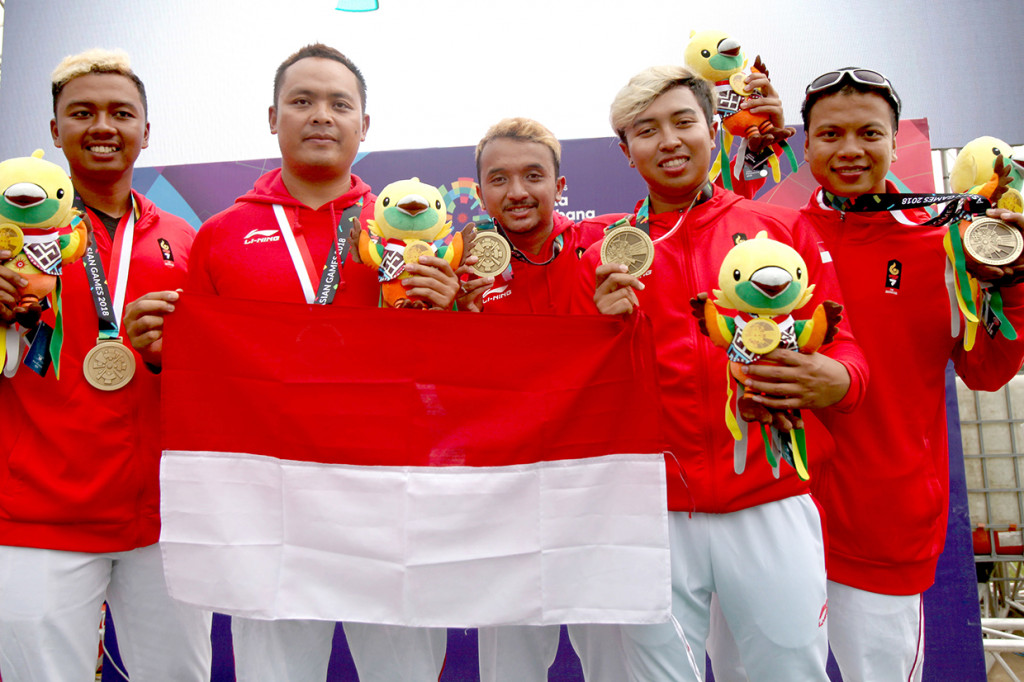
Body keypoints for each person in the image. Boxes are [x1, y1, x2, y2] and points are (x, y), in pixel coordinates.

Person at [125, 43, 456, 682]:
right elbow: (202, 375)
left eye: (340, 103)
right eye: (301, 101)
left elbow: (445, 376)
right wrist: (167, 355)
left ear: (366, 124)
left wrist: (448, 317)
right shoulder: (220, 234)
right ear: (273, 117)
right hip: (265, 509)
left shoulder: (415, 229)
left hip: (387, 504)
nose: (321, 116)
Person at [572, 64, 869, 682]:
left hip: (770, 498)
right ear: (625, 152)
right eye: (646, 130)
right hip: (653, 510)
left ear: (713, 130)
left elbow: (847, 353)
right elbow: (572, 383)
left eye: (683, 122)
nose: (669, 141)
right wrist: (593, 325)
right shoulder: (601, 251)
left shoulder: (782, 230)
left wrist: (839, 381)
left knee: (789, 672)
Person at [786, 67, 1024, 681]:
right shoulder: (772, 240)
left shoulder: (943, 243)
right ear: (804, 144)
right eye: (830, 134)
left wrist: (1015, 286)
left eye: (868, 133)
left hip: (882, 523)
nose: (849, 150)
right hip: (772, 518)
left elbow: (987, 370)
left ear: (895, 143)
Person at [0, 49, 212, 681]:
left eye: (122, 113)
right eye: (82, 112)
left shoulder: (184, 235)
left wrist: (171, 355)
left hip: (164, 519)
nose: (102, 126)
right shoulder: (9, 234)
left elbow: (218, 371)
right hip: (38, 513)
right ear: (54, 129)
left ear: (146, 131)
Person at [460, 117, 627, 682]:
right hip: (505, 501)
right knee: (510, 669)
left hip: (598, 498)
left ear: (561, 187)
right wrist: (453, 327)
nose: (517, 192)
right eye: (499, 178)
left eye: (534, 176)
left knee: (614, 666)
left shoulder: (611, 248)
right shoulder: (459, 269)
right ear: (479, 190)